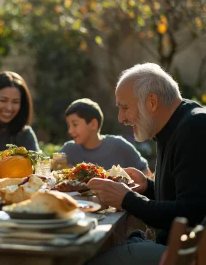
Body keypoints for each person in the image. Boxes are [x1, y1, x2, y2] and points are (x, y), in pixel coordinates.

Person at [86, 63, 206, 264]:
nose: (121, 118)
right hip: (176, 247)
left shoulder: (195, 129)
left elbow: (190, 214)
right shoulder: (177, 124)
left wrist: (127, 199)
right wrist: (147, 187)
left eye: (125, 107)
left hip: (185, 256)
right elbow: (187, 195)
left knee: (87, 259)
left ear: (152, 102)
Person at [60, 98, 151, 174]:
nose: (70, 131)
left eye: (75, 124)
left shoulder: (119, 146)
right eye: (69, 125)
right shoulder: (68, 150)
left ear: (93, 124)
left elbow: (145, 172)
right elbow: (50, 172)